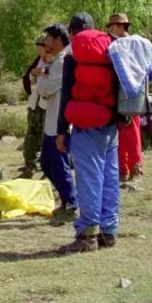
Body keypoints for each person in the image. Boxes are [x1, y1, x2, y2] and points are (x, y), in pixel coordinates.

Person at [56, 13, 119, 252]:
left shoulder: (74, 57)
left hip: (85, 127)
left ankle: (87, 236)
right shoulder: (110, 50)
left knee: (89, 179)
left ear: (72, 33)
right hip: (111, 124)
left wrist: (62, 130)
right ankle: (108, 232)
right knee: (109, 178)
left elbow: (67, 94)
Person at [106, 13, 152, 181]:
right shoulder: (143, 43)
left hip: (121, 94)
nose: (110, 29)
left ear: (121, 26)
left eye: (113, 26)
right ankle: (131, 168)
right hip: (138, 95)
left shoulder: (116, 46)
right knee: (133, 131)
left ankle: (127, 170)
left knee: (123, 133)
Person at [38, 23, 76, 225]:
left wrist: (42, 76)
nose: (45, 42)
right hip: (51, 120)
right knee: (46, 162)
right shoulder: (55, 61)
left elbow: (44, 89)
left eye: (48, 38)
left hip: (60, 122)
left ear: (58, 39)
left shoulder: (62, 62)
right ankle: (67, 198)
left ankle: (71, 201)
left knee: (59, 163)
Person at [19, 35, 50, 178]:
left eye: (40, 46)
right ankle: (30, 164)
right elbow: (28, 78)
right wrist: (33, 73)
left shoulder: (56, 60)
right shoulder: (38, 61)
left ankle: (48, 167)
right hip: (35, 103)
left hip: (48, 105)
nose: (38, 49)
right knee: (31, 134)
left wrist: (44, 74)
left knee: (47, 136)